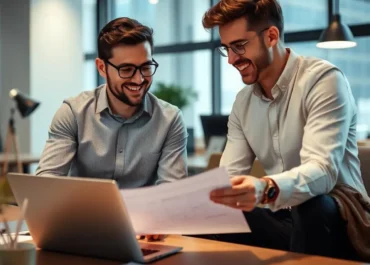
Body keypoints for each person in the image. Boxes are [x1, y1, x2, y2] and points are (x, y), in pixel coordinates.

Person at [202, 0, 368, 260]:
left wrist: (266, 187)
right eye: (226, 49)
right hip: (285, 219)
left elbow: (323, 172)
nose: (232, 59)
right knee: (223, 211)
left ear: (271, 36)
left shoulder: (323, 81)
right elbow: (228, 176)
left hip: (340, 220)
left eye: (239, 46)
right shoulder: (243, 103)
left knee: (310, 206)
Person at [36, 17, 188, 241]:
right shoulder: (73, 113)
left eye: (146, 67)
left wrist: (161, 218)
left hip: (145, 237)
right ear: (102, 67)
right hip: (83, 232)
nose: (139, 79)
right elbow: (45, 185)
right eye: (127, 69)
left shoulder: (170, 119)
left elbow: (172, 195)